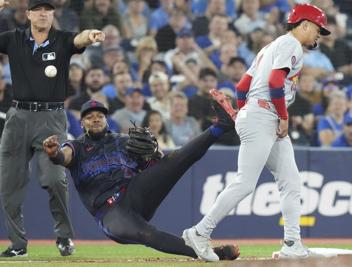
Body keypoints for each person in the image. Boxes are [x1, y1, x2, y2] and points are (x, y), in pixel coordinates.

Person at [182, 3, 331, 261]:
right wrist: (281, 117)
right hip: (266, 115)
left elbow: (241, 86)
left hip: (261, 114)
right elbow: (274, 82)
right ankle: (200, 232)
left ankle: (292, 244)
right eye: (319, 28)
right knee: (245, 183)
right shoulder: (291, 45)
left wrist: (244, 112)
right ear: (305, 25)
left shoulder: (270, 47)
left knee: (291, 181)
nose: (320, 34)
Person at [42, 99, 239, 261]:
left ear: (106, 120)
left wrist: (155, 153)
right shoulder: (76, 147)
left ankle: (220, 127)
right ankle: (212, 253)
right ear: (82, 122)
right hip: (110, 212)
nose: (95, 119)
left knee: (176, 159)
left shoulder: (124, 141)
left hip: (135, 193)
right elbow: (63, 156)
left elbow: (157, 164)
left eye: (100, 116)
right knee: (148, 234)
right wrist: (54, 154)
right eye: (90, 117)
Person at [0, 0, 105, 257]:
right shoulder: (13, 39)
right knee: (9, 184)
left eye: (48, 10)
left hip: (51, 117)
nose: (44, 13)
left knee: (56, 180)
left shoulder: (61, 39)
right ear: (28, 15)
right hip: (18, 116)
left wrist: (89, 36)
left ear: (53, 14)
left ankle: (64, 237)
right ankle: (18, 245)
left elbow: (78, 40)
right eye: (38, 9)